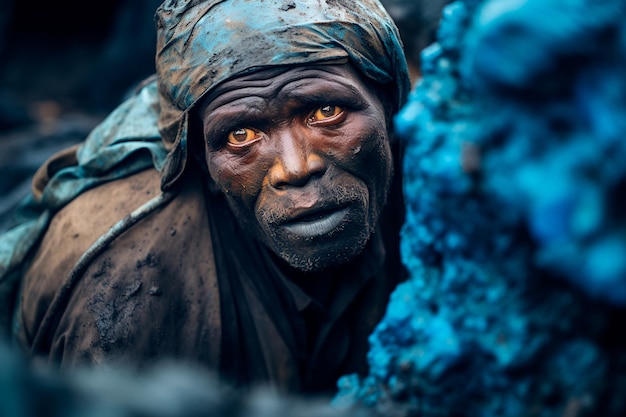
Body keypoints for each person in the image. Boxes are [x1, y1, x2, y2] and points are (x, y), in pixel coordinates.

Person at [0, 0, 411, 395]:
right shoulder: (131, 293)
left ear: (390, 107)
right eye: (241, 135)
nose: (296, 167)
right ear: (201, 161)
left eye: (325, 112)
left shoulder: (442, 171)